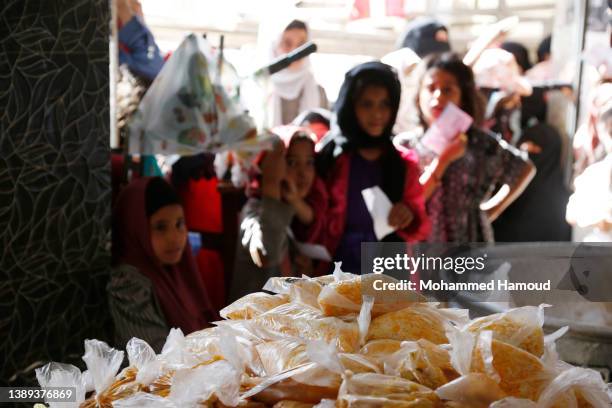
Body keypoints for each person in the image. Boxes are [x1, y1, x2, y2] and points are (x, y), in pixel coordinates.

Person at [397, 53, 535, 243]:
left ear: (462, 96)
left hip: (470, 250)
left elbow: (523, 168)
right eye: (430, 88)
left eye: (447, 90)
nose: (437, 97)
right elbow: (409, 203)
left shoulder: (479, 143)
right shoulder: (405, 146)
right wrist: (444, 160)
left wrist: (490, 210)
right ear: (419, 94)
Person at [316, 62, 430, 273]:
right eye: (367, 104)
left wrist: (408, 215)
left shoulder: (403, 164)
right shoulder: (331, 157)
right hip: (336, 265)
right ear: (351, 106)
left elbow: (420, 224)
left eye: (385, 104)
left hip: (387, 268)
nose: (377, 114)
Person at [109, 177, 215, 351]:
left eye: (179, 224)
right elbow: (154, 357)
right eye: (160, 227)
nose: (174, 238)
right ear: (135, 229)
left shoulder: (175, 272)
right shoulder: (128, 285)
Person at [229, 127, 328, 301]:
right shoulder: (253, 211)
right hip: (253, 324)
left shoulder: (296, 208)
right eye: (291, 162)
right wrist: (271, 183)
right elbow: (268, 252)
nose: (302, 173)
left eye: (309, 162)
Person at [257, 19, 328, 127]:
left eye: (301, 45)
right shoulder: (258, 88)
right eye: (287, 43)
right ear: (275, 45)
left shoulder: (319, 93)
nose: (294, 50)